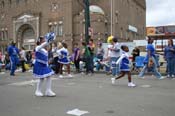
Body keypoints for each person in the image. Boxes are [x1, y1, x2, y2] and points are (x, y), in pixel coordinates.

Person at [33, 32, 56, 97]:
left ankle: (48, 90)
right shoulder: (38, 47)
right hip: (39, 65)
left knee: (49, 76)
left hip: (44, 65)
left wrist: (51, 42)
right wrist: (47, 41)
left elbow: (47, 54)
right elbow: (42, 46)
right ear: (40, 41)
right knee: (41, 78)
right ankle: (37, 91)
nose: (44, 40)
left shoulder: (44, 49)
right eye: (43, 39)